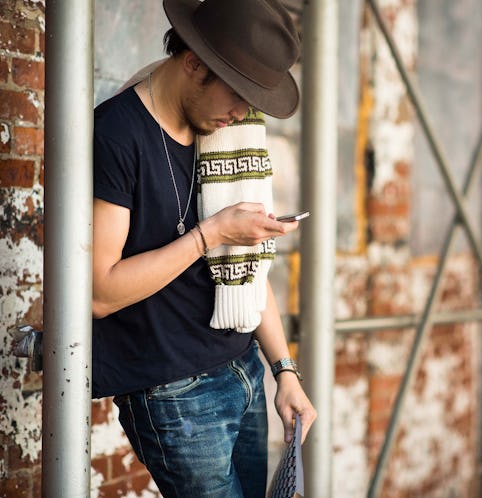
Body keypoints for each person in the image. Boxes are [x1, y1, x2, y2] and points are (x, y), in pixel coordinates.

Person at [91, 0, 316, 496]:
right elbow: (99, 292)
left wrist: (285, 370)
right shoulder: (117, 134)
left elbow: (248, 271)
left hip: (244, 369)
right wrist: (210, 234)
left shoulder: (230, 134)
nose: (243, 113)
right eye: (238, 95)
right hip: (174, 392)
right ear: (194, 62)